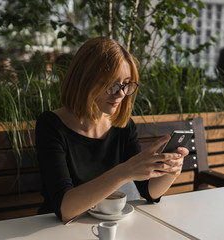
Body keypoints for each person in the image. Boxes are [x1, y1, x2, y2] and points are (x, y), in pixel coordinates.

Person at [35, 37, 189, 223]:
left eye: (126, 84)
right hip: (60, 230)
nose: (121, 93)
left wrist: (170, 170)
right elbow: (65, 209)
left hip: (109, 225)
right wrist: (125, 171)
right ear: (84, 80)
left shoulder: (122, 126)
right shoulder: (51, 125)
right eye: (111, 85)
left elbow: (148, 192)